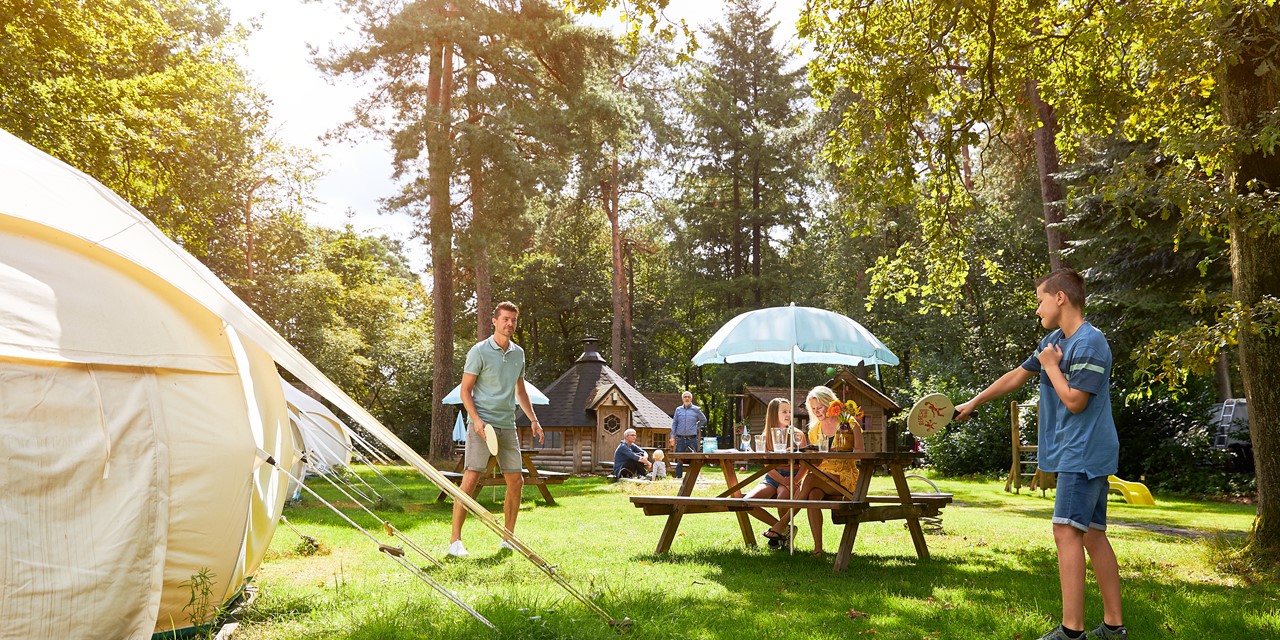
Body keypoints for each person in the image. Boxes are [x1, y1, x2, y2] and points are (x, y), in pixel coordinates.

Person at [954, 268, 1125, 640]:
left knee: (1065, 532)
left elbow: (1076, 402)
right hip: (1081, 450)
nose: (1038, 309)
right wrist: (974, 401)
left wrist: (1051, 366)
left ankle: (1071, 631)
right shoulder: (1054, 340)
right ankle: (1114, 627)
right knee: (1093, 534)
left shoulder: (1090, 343)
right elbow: (1017, 374)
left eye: (1040, 300)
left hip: (1083, 451)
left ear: (1060, 298)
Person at [448, 301, 544, 558]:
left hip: (507, 424)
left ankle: (508, 539)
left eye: (513, 319)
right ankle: (455, 542)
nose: (509, 324)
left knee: (516, 480)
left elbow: (520, 389)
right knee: (470, 480)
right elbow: (465, 390)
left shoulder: (518, 353)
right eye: (505, 319)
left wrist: (533, 419)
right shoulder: (479, 351)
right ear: (494, 321)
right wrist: (476, 420)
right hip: (482, 425)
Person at [761, 385, 861, 556]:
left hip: (844, 475)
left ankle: (783, 523)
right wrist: (804, 454)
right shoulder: (814, 429)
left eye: (819, 407)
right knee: (813, 494)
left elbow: (859, 454)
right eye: (813, 409)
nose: (817, 412)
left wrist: (837, 452)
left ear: (830, 403)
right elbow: (815, 461)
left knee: (810, 480)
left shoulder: (849, 423)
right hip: (822, 475)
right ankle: (818, 549)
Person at [744, 398, 807, 548]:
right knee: (746, 502)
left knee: (783, 496)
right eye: (784, 411)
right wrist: (781, 479)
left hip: (793, 476)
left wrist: (796, 480)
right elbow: (767, 465)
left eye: (790, 412)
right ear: (773, 414)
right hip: (772, 477)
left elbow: (806, 462)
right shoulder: (765, 436)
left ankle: (780, 531)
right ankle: (782, 529)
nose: (788, 414)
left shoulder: (797, 435)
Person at [668, 391, 707, 478]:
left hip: (692, 438)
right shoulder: (678, 410)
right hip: (680, 438)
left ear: (691, 398)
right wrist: (672, 437)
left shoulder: (696, 409)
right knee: (679, 458)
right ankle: (678, 477)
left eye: (689, 397)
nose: (687, 398)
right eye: (685, 397)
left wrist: (696, 426)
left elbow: (704, 420)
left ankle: (695, 477)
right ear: (682, 399)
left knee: (695, 458)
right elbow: (674, 423)